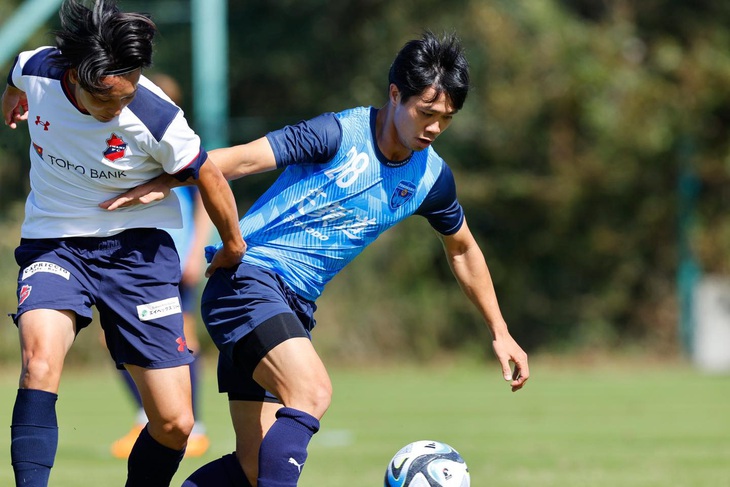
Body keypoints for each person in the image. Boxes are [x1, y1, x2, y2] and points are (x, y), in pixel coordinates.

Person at [106, 31, 529, 487]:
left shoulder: (430, 178)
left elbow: (463, 248)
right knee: (312, 391)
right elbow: (245, 159)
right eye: (425, 113)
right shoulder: (336, 134)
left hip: (293, 306)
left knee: (253, 469)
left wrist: (500, 331)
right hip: (248, 280)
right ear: (394, 94)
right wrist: (170, 180)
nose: (433, 128)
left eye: (445, 119)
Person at [1, 1, 244, 486]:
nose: (119, 109)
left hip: (137, 254)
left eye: (126, 97)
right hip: (55, 243)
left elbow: (211, 176)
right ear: (75, 76)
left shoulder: (155, 117)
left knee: (175, 423)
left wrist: (232, 246)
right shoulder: (39, 68)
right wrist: (11, 97)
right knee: (39, 361)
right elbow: (17, 71)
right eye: (108, 101)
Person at [109, 74, 211, 460]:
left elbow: (207, 190)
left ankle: (193, 425)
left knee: (181, 336)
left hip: (170, 255)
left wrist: (196, 249)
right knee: (114, 338)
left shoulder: (176, 138)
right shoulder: (128, 137)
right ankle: (147, 414)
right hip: (130, 255)